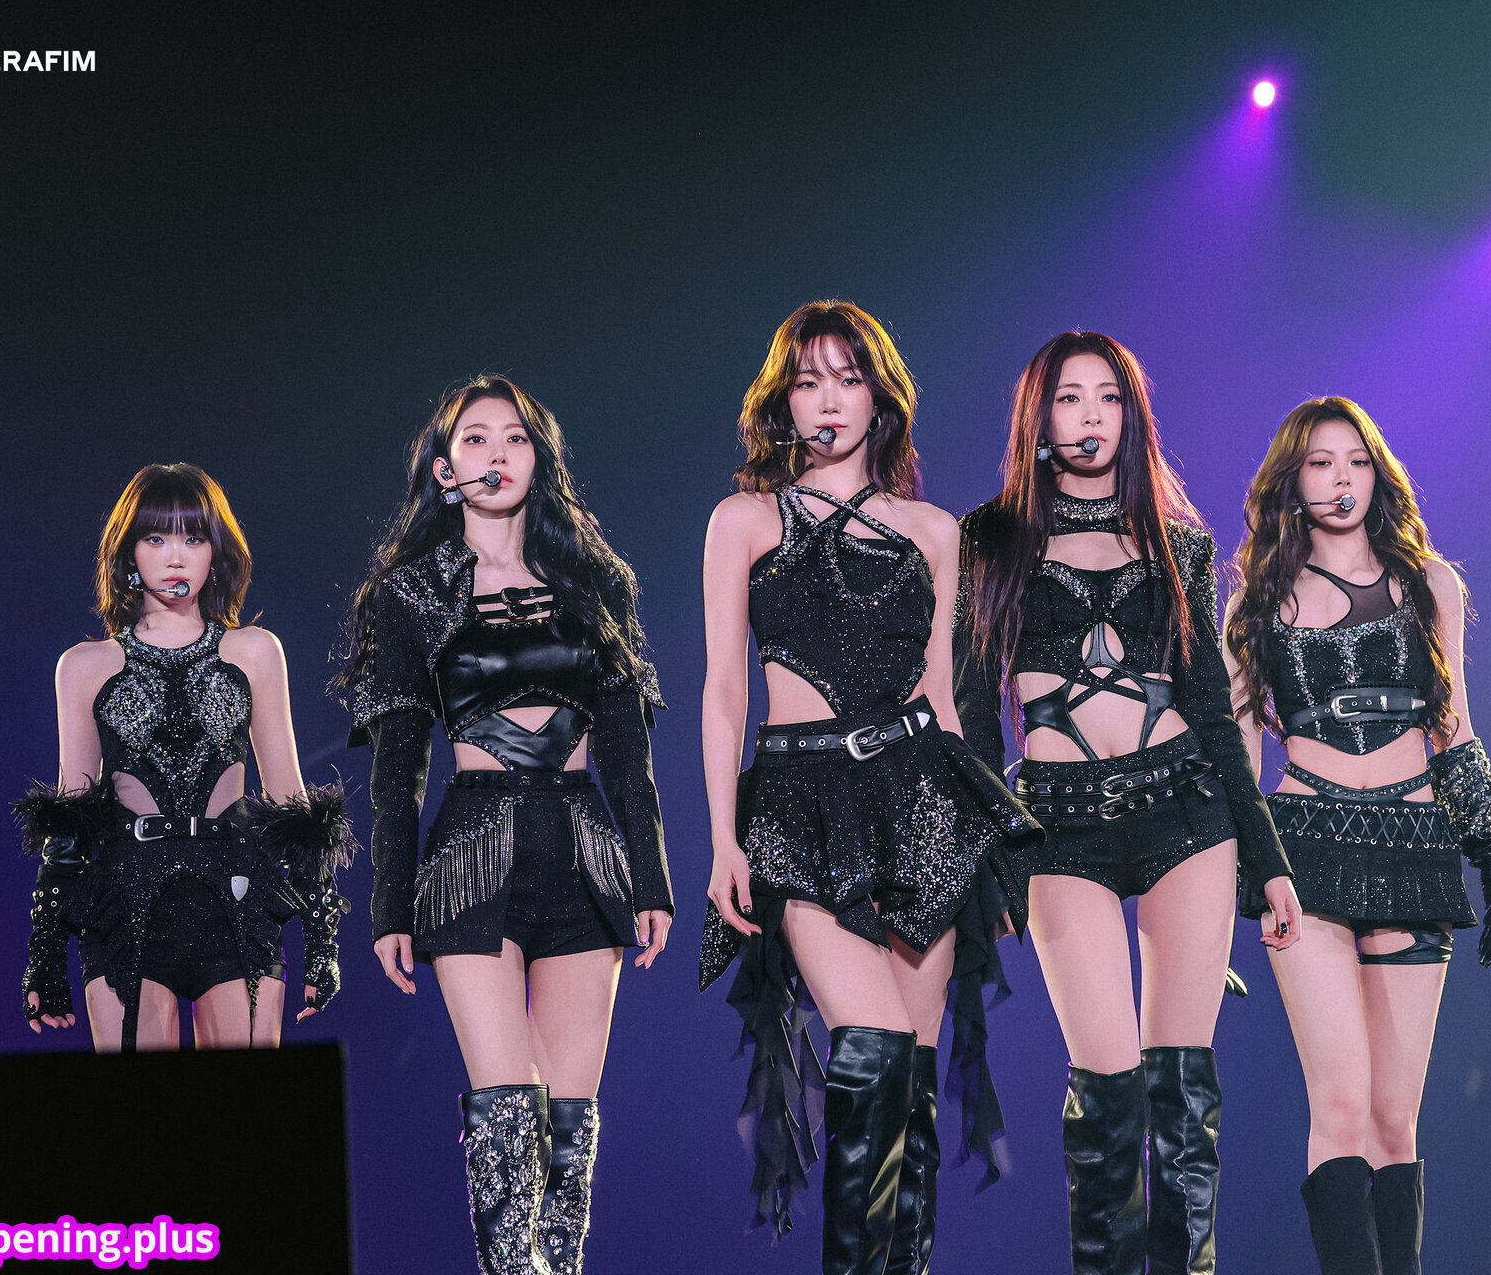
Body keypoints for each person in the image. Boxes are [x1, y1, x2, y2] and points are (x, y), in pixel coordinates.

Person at [699, 300, 1038, 1275]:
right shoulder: (743, 519)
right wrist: (723, 839)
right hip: (798, 802)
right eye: (807, 381)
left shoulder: (934, 530)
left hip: (922, 799)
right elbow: (724, 690)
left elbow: (945, 700)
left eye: (848, 379)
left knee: (913, 1090)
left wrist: (982, 853)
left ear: (881, 398)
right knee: (876, 1046)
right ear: (782, 402)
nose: (828, 400)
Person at [957, 332, 1301, 1274]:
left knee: (1181, 1095)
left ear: (1132, 415)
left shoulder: (1177, 544)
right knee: (1106, 1087)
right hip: (1057, 826)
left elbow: (1214, 716)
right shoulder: (989, 539)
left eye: (1108, 397)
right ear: (1039, 418)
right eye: (1070, 398)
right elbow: (974, 720)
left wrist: (1267, 860)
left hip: (1185, 810)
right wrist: (998, 857)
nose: (1091, 416)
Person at [341, 374, 672, 1275]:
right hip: (471, 853)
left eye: (516, 437)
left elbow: (628, 753)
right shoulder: (411, 593)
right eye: (476, 439)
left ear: (541, 458)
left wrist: (653, 880)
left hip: (584, 849)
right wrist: (388, 908)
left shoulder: (596, 583)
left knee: (569, 1125)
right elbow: (397, 770)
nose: (498, 454)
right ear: (444, 468)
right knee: (507, 1107)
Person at [1223, 397, 1491, 1275]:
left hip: (1415, 844)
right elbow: (1238, 753)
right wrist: (1240, 876)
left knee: (1396, 1120)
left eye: (1356, 460)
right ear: (1292, 481)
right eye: (1320, 463)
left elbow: (1454, 727)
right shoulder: (1256, 602)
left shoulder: (1432, 585)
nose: (1341, 479)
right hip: (1305, 846)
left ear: (1378, 472)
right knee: (1343, 1104)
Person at [17, 462, 354, 1054]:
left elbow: (291, 805)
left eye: (193, 538)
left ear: (216, 552)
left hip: (237, 898)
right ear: (128, 553)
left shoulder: (254, 652)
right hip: (125, 904)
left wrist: (323, 939)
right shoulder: (84, 666)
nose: (176, 557)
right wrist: (44, 953)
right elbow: (69, 821)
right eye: (156, 538)